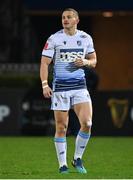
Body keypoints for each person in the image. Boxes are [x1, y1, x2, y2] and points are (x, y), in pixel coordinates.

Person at [40, 8, 97, 174]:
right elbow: (44, 63)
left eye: (69, 17)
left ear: (76, 20)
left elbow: (94, 61)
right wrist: (45, 84)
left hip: (80, 87)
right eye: (63, 17)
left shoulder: (85, 38)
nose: (65, 20)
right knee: (62, 127)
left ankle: (77, 158)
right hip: (61, 89)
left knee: (87, 123)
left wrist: (85, 62)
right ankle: (62, 164)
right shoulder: (54, 38)